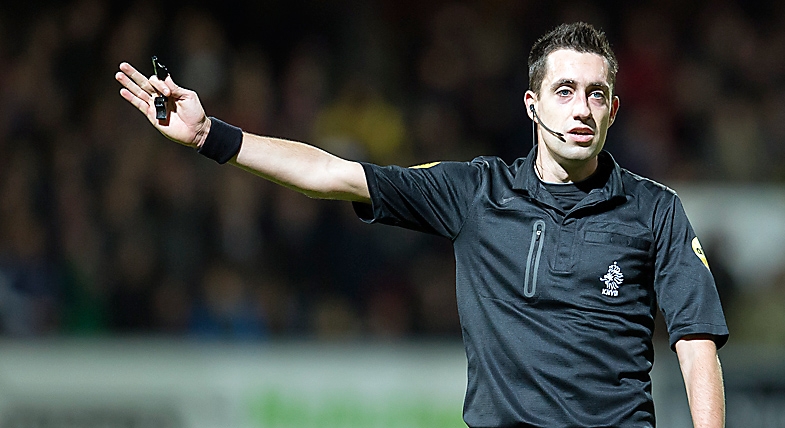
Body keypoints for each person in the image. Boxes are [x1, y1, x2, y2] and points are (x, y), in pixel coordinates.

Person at [115, 22, 728, 428]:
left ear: (614, 108)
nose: (582, 109)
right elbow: (333, 174)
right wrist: (209, 134)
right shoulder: (477, 193)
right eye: (564, 91)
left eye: (596, 94)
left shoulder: (655, 210)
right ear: (532, 104)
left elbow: (696, 347)